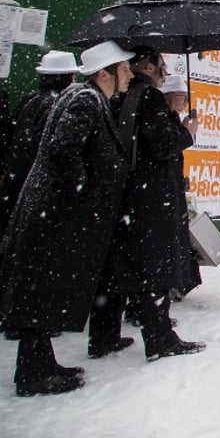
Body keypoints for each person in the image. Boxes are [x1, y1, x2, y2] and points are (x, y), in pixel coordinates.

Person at [0, 40, 133, 396]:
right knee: (41, 293)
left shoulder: (86, 99)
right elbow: (63, 149)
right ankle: (33, 374)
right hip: (54, 217)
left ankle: (40, 363)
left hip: (52, 215)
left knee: (42, 294)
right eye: (124, 70)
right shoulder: (85, 101)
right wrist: (81, 191)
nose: (129, 75)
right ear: (105, 74)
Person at [89, 48, 204, 362]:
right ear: (149, 66)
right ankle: (159, 338)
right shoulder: (149, 97)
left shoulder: (119, 97)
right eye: (162, 65)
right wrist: (186, 133)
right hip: (151, 198)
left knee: (117, 270)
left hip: (124, 195)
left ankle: (103, 335)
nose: (165, 72)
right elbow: (162, 145)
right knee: (155, 268)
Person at [0, 50, 82, 240]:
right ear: (68, 77)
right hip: (31, 186)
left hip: (16, 180)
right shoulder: (56, 107)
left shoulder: (30, 100)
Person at [161, 74, 203, 299]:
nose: (185, 101)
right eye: (180, 96)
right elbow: (166, 146)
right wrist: (187, 133)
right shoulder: (163, 119)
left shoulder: (172, 119)